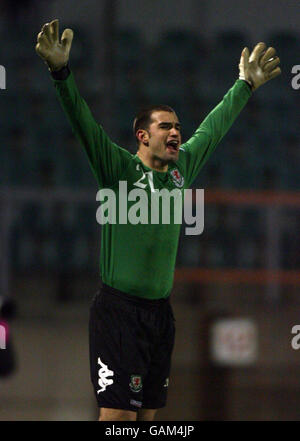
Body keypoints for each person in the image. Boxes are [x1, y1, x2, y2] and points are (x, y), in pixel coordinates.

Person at [35, 19, 281, 421]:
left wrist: (246, 85)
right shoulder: (118, 169)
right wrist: (61, 72)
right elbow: (81, 121)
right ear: (142, 136)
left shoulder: (183, 169)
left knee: (148, 419)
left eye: (178, 127)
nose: (176, 133)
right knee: (117, 418)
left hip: (159, 315)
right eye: (165, 126)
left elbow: (214, 127)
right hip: (118, 313)